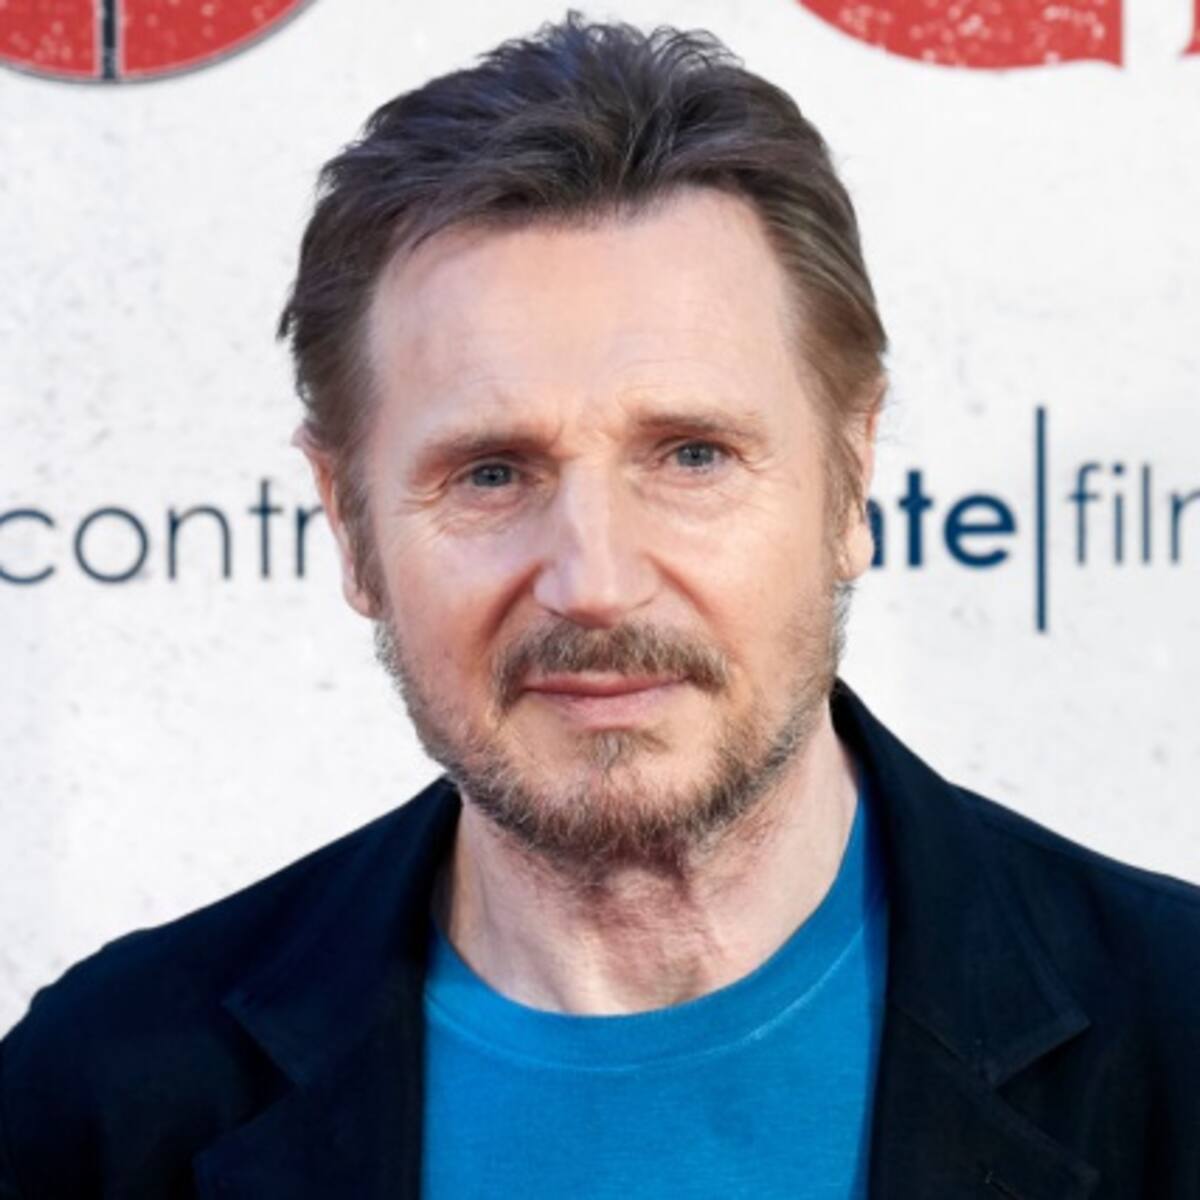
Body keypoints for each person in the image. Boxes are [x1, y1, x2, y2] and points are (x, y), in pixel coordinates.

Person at [2, 14, 1198, 1199]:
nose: (594, 582)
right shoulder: (101, 1101)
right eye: (490, 474)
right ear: (349, 523)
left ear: (850, 478)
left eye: (692, 456)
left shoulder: (1179, 1037)